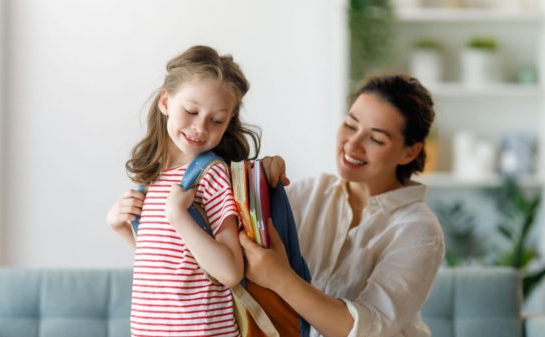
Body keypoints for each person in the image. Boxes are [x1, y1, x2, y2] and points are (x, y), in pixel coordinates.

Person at [242, 75, 445, 337]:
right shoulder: (306, 195)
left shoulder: (419, 232)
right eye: (350, 125)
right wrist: (258, 181)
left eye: (376, 139)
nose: (352, 143)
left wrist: (281, 278)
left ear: (410, 152)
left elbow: (369, 329)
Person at [106, 45, 260, 337]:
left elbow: (229, 272)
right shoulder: (153, 178)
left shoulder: (211, 175)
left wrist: (179, 215)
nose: (201, 127)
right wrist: (119, 227)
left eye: (217, 120)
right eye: (191, 111)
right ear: (165, 101)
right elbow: (168, 265)